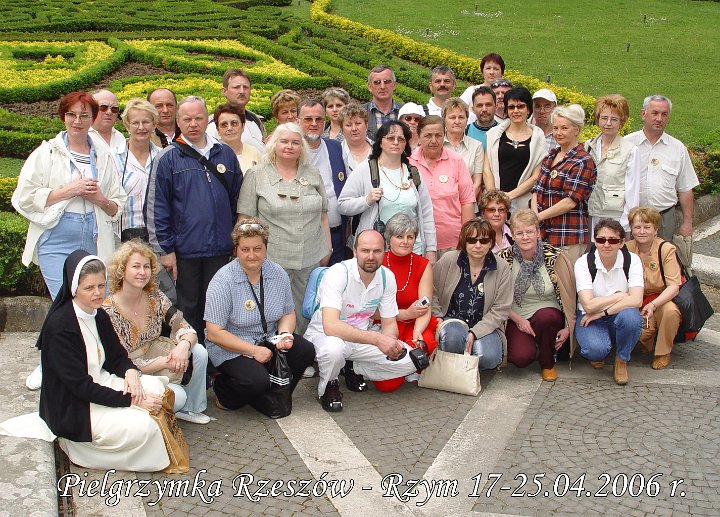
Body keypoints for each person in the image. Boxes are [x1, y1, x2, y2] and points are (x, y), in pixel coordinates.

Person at [0, 250, 170, 471]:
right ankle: (80, 448)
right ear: (74, 288)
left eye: (101, 286)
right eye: (89, 288)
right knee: (144, 426)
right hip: (76, 405)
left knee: (156, 388)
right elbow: (80, 387)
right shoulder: (60, 327)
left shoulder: (98, 314)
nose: (97, 293)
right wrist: (131, 401)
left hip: (100, 382)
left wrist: (130, 372)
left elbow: (117, 356)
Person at [14, 91, 127, 390]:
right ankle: (49, 364)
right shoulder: (47, 153)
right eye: (71, 115)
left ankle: (86, 363)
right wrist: (70, 190)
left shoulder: (103, 155)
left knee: (90, 303)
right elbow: (23, 197)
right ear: (63, 117)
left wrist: (99, 198)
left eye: (84, 115)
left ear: (93, 118)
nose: (77, 121)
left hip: (93, 237)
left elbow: (117, 206)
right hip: (56, 236)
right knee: (64, 302)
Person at [145, 95, 242, 341]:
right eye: (187, 119)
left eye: (198, 118)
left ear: (206, 120)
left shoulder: (225, 153)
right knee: (188, 308)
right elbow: (157, 207)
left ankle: (217, 356)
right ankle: (190, 355)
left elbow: (236, 199)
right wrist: (165, 249)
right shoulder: (167, 157)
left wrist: (235, 238)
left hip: (220, 249)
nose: (193, 124)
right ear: (178, 121)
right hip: (185, 250)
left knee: (218, 306)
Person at [204, 218, 316, 412]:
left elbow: (287, 313)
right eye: (245, 249)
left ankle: (271, 392)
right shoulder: (222, 281)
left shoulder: (278, 273)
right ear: (236, 250)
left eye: (257, 249)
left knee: (305, 350)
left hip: (268, 338)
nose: (251, 255)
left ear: (266, 248)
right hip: (233, 345)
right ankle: (224, 390)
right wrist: (253, 351)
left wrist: (285, 334)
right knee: (255, 381)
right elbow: (214, 333)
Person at [304, 230, 417, 412]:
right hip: (326, 336)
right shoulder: (337, 273)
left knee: (412, 360)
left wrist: (390, 344)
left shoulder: (387, 277)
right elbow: (331, 326)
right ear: (355, 251)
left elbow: (389, 324)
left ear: (384, 252)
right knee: (334, 349)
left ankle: (353, 367)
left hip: (362, 338)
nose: (371, 256)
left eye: (377, 251)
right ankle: (329, 385)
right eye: (365, 250)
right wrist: (378, 339)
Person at [237, 122, 331, 334]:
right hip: (272, 258)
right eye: (284, 141)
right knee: (273, 309)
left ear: (302, 147)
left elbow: (323, 214)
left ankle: (304, 349)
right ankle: (276, 350)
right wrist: (246, 254)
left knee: (307, 309)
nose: (289, 146)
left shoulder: (312, 173)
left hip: (310, 256)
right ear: (274, 144)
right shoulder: (256, 174)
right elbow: (245, 220)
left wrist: (327, 248)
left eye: (295, 142)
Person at [103, 241, 210, 424]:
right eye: (136, 266)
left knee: (198, 351)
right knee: (178, 397)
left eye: (146, 266)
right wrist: (164, 362)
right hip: (130, 371)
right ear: (121, 270)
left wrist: (183, 347)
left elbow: (186, 328)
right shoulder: (108, 311)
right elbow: (120, 363)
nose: (142, 272)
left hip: (158, 351)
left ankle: (191, 408)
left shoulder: (155, 296)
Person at [337, 120, 437, 263]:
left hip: (413, 250)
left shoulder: (413, 172)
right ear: (380, 142)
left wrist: (431, 249)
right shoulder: (365, 170)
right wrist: (367, 200)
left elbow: (426, 214)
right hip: (377, 253)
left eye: (401, 139)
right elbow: (342, 205)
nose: (396, 142)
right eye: (390, 138)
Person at [497, 209, 576, 381]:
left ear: (538, 233)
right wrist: (518, 320)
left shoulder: (556, 257)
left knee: (544, 318)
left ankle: (547, 364)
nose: (525, 237)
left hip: (549, 314)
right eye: (519, 233)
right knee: (520, 358)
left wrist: (568, 327)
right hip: (516, 315)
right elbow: (495, 299)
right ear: (513, 235)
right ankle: (539, 343)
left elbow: (570, 296)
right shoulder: (502, 259)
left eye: (529, 232)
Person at [625, 95, 699, 269]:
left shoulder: (677, 148)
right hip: (632, 218)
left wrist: (687, 223)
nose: (659, 118)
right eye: (654, 113)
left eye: (664, 114)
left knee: (663, 264)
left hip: (664, 219)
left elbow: (685, 188)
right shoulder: (627, 144)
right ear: (643, 114)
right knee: (631, 264)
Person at [432, 218, 512, 370]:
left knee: (488, 358)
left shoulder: (502, 267)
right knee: (452, 340)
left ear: (491, 242)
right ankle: (455, 369)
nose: (478, 245)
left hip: (486, 325)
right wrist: (438, 317)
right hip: (452, 320)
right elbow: (432, 291)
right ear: (464, 241)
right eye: (472, 240)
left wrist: (474, 333)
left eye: (483, 241)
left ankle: (464, 367)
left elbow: (501, 309)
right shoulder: (449, 260)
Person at [372, 213, 438, 392]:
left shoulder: (423, 264)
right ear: (389, 238)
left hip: (413, 324)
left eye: (410, 237)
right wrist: (404, 314)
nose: (405, 242)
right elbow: (369, 311)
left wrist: (417, 332)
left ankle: (410, 369)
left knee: (423, 342)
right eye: (399, 236)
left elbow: (425, 307)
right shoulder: (377, 262)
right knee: (387, 385)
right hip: (384, 324)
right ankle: (400, 370)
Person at [574, 219, 643, 385]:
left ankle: (622, 359)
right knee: (595, 350)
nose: (606, 245)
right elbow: (588, 305)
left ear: (621, 243)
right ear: (595, 240)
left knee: (631, 317)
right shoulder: (583, 262)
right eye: (601, 240)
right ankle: (601, 351)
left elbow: (636, 300)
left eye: (612, 240)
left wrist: (602, 312)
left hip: (614, 314)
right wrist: (619, 296)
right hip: (589, 316)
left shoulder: (632, 260)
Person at [531, 104, 597, 265]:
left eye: (564, 128)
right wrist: (535, 218)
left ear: (576, 130)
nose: (558, 133)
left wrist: (538, 217)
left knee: (565, 280)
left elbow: (570, 201)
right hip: (543, 233)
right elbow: (537, 190)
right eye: (555, 128)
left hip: (568, 235)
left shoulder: (583, 161)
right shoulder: (550, 156)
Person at [625, 206, 682, 370]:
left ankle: (663, 351)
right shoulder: (626, 249)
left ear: (656, 229)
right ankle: (648, 340)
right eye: (637, 227)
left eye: (647, 227)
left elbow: (674, 287)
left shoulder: (666, 249)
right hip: (635, 299)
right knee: (640, 331)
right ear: (631, 229)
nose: (642, 231)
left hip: (660, 299)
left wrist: (653, 304)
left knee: (671, 312)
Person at [410, 115, 475, 256]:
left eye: (438, 135)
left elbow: (467, 201)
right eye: (428, 135)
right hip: (417, 243)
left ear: (444, 135)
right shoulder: (409, 163)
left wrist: (466, 238)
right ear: (419, 137)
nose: (433, 141)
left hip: (453, 243)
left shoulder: (456, 160)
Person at [298, 99, 349, 266]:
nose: (314, 124)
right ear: (298, 121)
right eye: (308, 119)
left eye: (319, 119)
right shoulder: (291, 151)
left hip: (336, 236)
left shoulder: (336, 147)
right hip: (303, 240)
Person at [483, 87, 546, 211]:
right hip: (495, 203)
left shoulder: (538, 137)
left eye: (520, 106)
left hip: (524, 204)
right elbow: (487, 169)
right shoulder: (493, 134)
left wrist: (508, 196)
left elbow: (536, 176)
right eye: (511, 107)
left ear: (528, 109)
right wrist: (495, 197)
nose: (516, 111)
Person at [585, 94, 640, 233]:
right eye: (604, 118)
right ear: (598, 120)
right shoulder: (588, 146)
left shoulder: (631, 150)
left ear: (621, 122)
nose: (608, 123)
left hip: (616, 218)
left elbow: (632, 191)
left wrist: (624, 225)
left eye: (614, 119)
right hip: (591, 215)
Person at [115, 98, 161, 243]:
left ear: (154, 124)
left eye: (146, 122)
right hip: (122, 238)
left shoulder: (163, 157)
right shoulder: (112, 157)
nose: (141, 127)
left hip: (157, 236)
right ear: (127, 125)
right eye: (135, 123)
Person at [207, 69, 266, 151]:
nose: (242, 91)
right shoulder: (213, 125)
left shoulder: (256, 121)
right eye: (236, 87)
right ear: (224, 91)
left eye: (245, 87)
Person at [442, 97, 486, 204]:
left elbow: (477, 183)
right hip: (441, 205)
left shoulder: (476, 146)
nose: (457, 121)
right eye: (452, 117)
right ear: (444, 120)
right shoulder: (437, 145)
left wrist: (464, 204)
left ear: (467, 120)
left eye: (461, 117)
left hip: (469, 204)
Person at [214, 103, 261, 175]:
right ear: (218, 130)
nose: (229, 128)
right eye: (224, 125)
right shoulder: (212, 156)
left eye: (234, 123)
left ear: (243, 126)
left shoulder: (254, 153)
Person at [363, 64, 403, 139]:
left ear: (394, 85)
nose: (382, 87)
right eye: (377, 82)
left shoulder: (406, 112)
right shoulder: (360, 112)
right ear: (369, 87)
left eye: (387, 81)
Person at [89, 89, 125, 157]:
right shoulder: (82, 138)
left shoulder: (120, 138)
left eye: (114, 108)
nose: (109, 112)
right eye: (103, 107)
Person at [339, 103, 372, 175]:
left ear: (366, 125)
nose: (354, 129)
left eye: (358, 123)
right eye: (348, 125)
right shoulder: (337, 153)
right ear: (342, 129)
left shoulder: (380, 149)